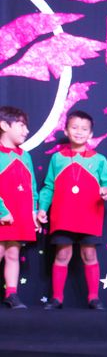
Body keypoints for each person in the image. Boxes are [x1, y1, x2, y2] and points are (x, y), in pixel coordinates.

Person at [38, 110, 107, 310]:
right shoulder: (57, 158)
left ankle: (93, 298)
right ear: (66, 130)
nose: (79, 132)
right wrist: (42, 208)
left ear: (91, 134)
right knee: (62, 255)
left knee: (89, 255)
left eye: (84, 129)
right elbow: (48, 186)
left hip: (90, 216)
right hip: (63, 217)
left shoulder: (99, 159)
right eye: (74, 127)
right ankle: (57, 298)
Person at [0, 106, 39, 310]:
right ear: (4, 125)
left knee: (13, 253)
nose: (27, 131)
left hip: (19, 215)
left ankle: (12, 294)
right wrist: (2, 211)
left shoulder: (25, 156)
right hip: (3, 215)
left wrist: (33, 212)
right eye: (21, 125)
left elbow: (32, 186)